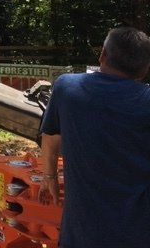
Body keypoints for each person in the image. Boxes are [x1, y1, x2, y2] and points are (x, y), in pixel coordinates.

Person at [40, 26, 150, 248]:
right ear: (145, 69)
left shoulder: (67, 87)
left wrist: (49, 176)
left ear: (102, 55)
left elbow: (50, 135)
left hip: (80, 235)